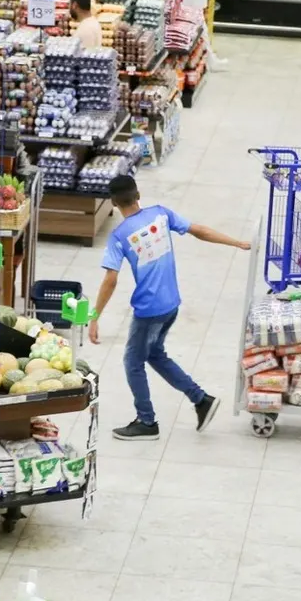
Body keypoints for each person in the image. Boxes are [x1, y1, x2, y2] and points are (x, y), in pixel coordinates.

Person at [89, 175, 250, 440]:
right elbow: (198, 230)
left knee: (132, 362)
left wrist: (95, 317)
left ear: (114, 203)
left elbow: (111, 279)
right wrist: (236, 242)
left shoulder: (119, 237)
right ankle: (201, 400)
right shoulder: (160, 215)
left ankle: (147, 422)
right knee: (154, 354)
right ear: (138, 194)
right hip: (171, 304)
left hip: (148, 310)